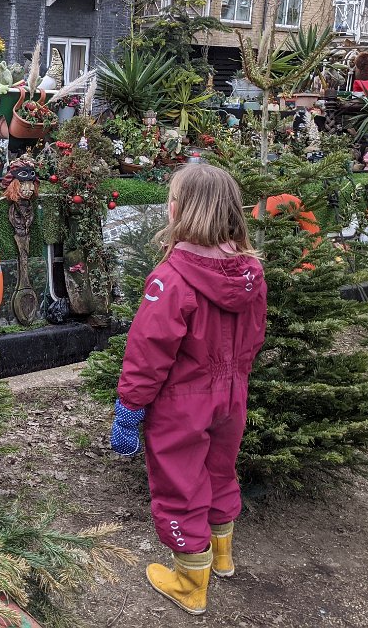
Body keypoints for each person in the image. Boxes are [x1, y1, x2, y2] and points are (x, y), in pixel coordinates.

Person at [110, 164, 267, 616]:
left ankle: (189, 581)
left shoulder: (171, 279)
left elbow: (147, 350)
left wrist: (130, 407)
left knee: (181, 482)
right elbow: (255, 336)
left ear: (179, 211)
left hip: (183, 401)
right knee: (220, 470)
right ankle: (222, 557)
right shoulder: (251, 272)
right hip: (233, 393)